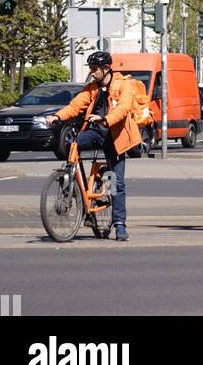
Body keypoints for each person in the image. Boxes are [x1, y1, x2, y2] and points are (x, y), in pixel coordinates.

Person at [46, 52, 141, 242]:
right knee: (74, 143)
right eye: (90, 69)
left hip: (115, 136)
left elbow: (122, 109)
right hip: (95, 132)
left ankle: (120, 224)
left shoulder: (123, 85)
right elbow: (75, 106)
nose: (92, 72)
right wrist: (58, 116)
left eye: (95, 69)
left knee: (117, 183)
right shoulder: (91, 88)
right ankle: (71, 180)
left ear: (106, 68)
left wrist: (105, 120)